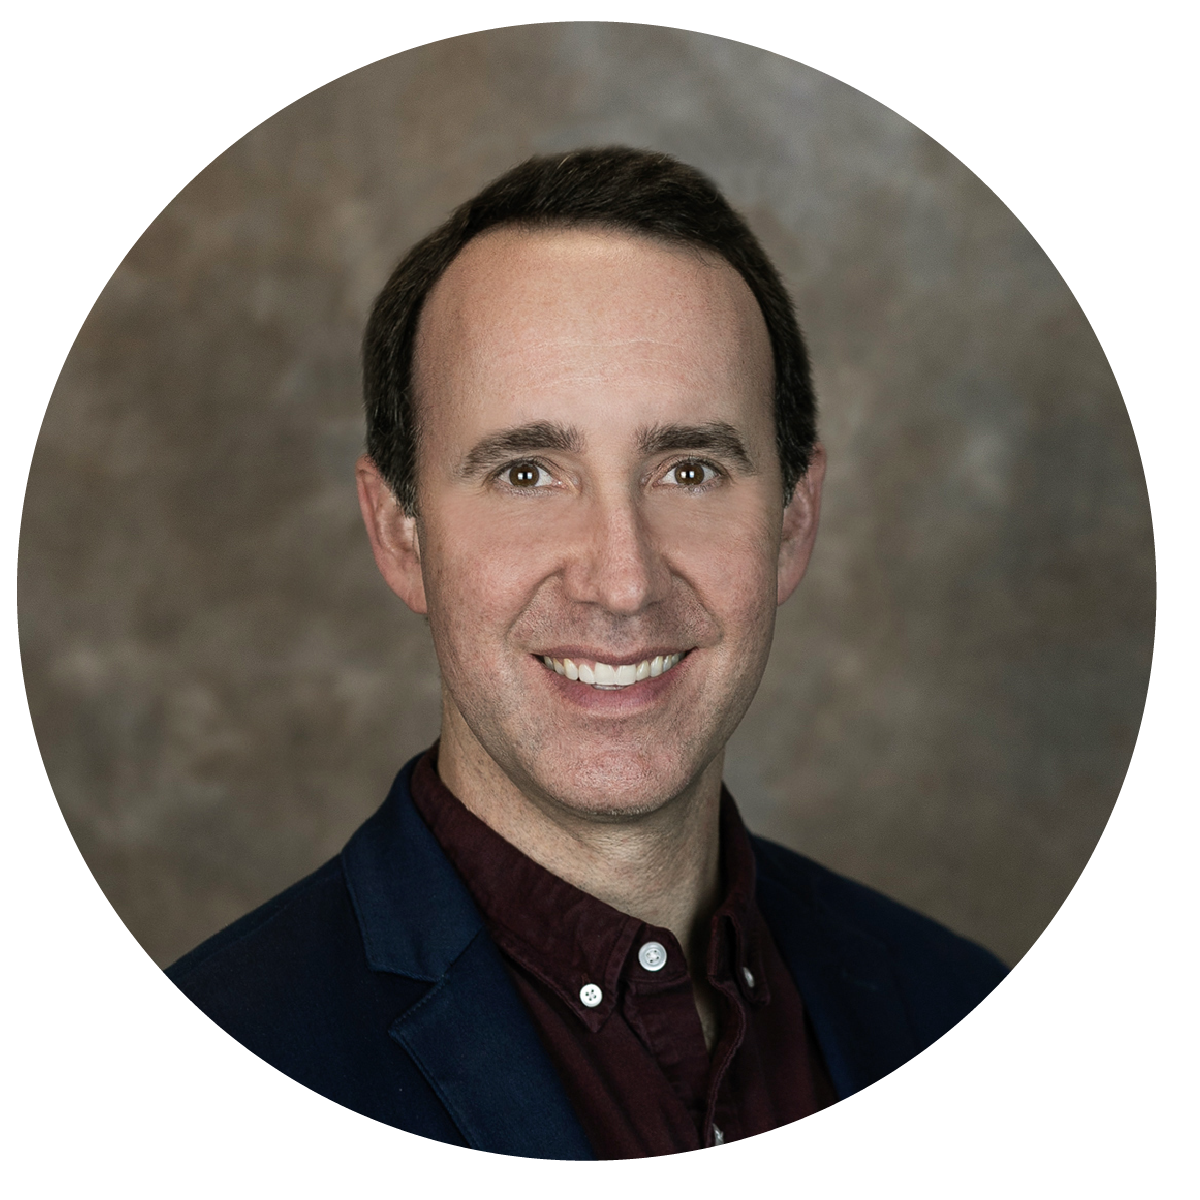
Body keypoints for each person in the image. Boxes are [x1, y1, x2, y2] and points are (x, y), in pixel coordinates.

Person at [164, 147, 1010, 1188]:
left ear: (793, 522)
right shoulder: (211, 1061)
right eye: (527, 473)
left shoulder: (968, 1015)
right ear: (397, 534)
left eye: (690, 470)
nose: (622, 581)